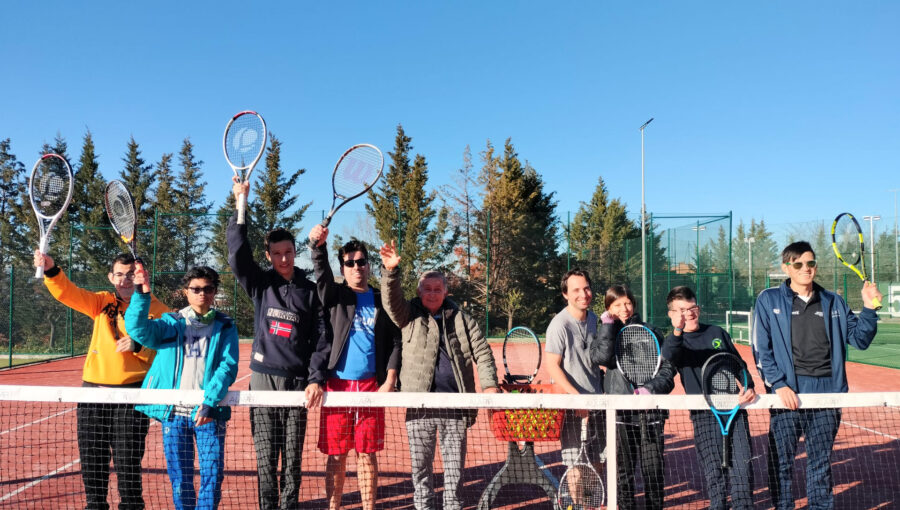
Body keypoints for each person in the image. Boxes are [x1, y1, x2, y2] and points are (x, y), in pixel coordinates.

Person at [34, 250, 169, 510]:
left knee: (128, 459)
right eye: (119, 275)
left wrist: (140, 345)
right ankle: (95, 505)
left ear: (142, 276)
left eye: (130, 275)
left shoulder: (160, 310)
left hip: (132, 394)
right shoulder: (101, 302)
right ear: (111, 277)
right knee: (92, 457)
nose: (125, 280)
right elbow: (68, 293)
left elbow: (165, 349)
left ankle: (131, 505)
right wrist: (51, 269)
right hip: (92, 394)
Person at [752, 241, 880, 510]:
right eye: (798, 264)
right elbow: (761, 348)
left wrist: (869, 308)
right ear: (786, 267)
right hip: (787, 394)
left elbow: (860, 340)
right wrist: (778, 384)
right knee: (780, 462)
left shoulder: (833, 301)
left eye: (810, 263)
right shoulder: (769, 299)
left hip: (827, 394)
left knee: (820, 463)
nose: (805, 268)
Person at [227, 178, 327, 509]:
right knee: (266, 458)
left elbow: (321, 338)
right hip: (263, 379)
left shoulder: (310, 291)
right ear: (269, 255)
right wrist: (241, 205)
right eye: (277, 254)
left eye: (288, 253)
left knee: (293, 460)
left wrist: (315, 378)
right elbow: (237, 256)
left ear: (295, 252)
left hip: (298, 383)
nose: (283, 260)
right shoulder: (260, 284)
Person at [379, 240, 499, 510]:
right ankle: (423, 506)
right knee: (420, 467)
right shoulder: (407, 315)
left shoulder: (462, 319)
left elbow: (482, 352)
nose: (432, 294)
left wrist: (490, 386)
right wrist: (391, 272)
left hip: (455, 406)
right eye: (427, 289)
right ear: (419, 291)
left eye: (437, 289)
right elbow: (390, 300)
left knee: (454, 470)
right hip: (419, 406)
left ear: (445, 291)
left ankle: (453, 505)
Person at [125, 264, 239, 510]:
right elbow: (137, 329)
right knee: (180, 480)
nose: (202, 293)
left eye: (208, 289)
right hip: (174, 415)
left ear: (214, 292)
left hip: (209, 413)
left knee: (212, 476)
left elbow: (228, 366)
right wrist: (141, 293)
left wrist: (209, 402)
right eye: (196, 289)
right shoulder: (172, 324)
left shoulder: (225, 326)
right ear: (186, 291)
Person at [307, 226, 401, 510]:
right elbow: (321, 274)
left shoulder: (382, 299)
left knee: (367, 454)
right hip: (337, 387)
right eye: (350, 263)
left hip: (372, 387)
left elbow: (396, 340)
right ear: (343, 269)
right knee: (336, 456)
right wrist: (317, 247)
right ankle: (333, 507)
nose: (356, 267)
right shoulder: (335, 295)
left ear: (369, 266)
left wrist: (390, 379)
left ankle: (368, 507)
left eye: (361, 262)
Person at [661, 285, 756, 510]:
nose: (689, 313)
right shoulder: (676, 342)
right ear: (672, 314)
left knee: (742, 467)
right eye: (682, 310)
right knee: (714, 472)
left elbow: (739, 365)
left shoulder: (717, 333)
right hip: (704, 415)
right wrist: (677, 330)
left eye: (693, 308)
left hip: (734, 412)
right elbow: (669, 355)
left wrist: (748, 386)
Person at [589, 284, 675, 510]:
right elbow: (602, 358)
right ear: (608, 308)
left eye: (627, 303)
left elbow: (668, 370)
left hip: (651, 413)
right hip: (619, 413)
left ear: (634, 304)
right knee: (623, 472)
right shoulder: (604, 334)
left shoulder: (652, 332)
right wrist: (608, 327)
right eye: (617, 305)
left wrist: (650, 390)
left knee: (653, 471)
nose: (624, 309)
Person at [544, 269, 605, 503]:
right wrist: (576, 398)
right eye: (576, 290)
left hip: (598, 403)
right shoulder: (559, 324)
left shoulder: (595, 320)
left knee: (598, 462)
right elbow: (552, 366)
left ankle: (588, 504)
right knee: (576, 467)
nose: (583, 294)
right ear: (565, 294)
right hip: (572, 408)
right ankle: (578, 506)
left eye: (586, 288)